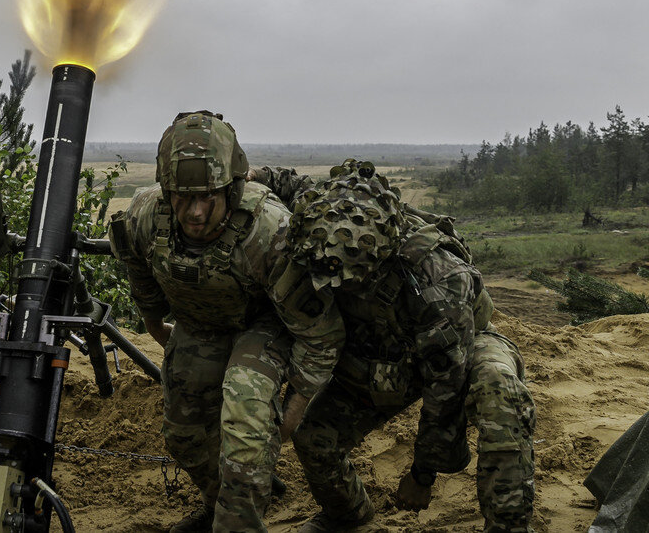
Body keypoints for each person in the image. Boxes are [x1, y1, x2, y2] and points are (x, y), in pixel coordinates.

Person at [252, 160, 536, 532]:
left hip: (463, 345)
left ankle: (508, 526)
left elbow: (445, 391)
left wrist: (422, 475)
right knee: (314, 438)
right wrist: (259, 176)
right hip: (376, 351)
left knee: (500, 393)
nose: (330, 287)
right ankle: (347, 514)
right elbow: (298, 187)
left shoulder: (439, 282)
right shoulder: (330, 212)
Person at [108, 111, 345, 533]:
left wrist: (293, 411)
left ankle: (239, 519)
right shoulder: (147, 213)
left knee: (245, 427)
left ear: (232, 188)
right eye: (182, 197)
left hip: (264, 327)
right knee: (185, 436)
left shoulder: (268, 230)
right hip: (200, 325)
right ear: (165, 190)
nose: (195, 212)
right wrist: (152, 320)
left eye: (208, 197)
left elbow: (320, 332)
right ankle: (227, 502)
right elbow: (137, 264)